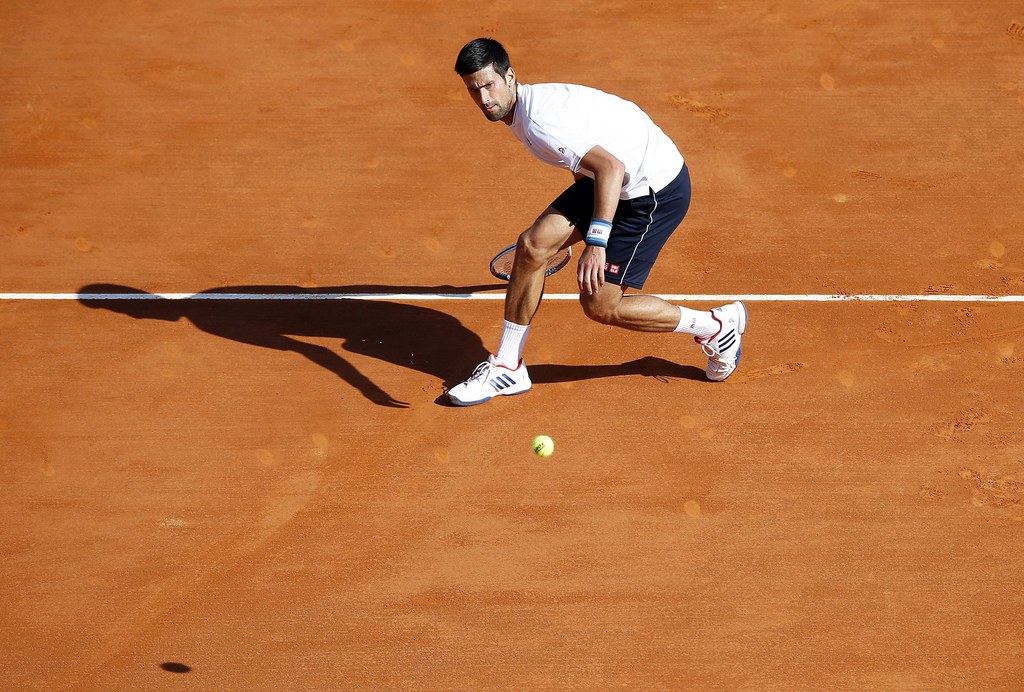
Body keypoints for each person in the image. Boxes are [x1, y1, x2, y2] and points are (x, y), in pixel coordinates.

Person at [447, 38, 746, 406]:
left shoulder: (541, 123)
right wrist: (571, 230)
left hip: (652, 192)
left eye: (489, 85)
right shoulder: (523, 108)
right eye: (474, 90)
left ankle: (715, 327)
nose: (484, 99)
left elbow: (611, 168)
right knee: (533, 245)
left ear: (510, 76)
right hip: (611, 180)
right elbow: (587, 165)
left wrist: (596, 242)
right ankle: (508, 366)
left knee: (600, 304)